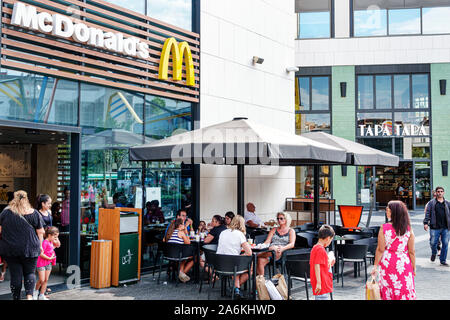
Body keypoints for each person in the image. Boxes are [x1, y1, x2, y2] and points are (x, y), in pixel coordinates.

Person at [0, 190, 45, 300]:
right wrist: (40, 246)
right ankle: (29, 296)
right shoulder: (34, 213)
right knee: (30, 272)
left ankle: (16, 297)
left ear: (14, 198)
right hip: (31, 248)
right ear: (26, 198)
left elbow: (0, 230)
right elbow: (40, 232)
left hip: (11, 249)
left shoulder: (5, 212)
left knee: (16, 275)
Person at [371, 200, 416, 300]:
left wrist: (375, 266)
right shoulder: (408, 228)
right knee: (404, 288)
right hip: (404, 262)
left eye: (388, 210)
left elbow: (380, 249)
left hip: (388, 262)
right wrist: (414, 266)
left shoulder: (384, 227)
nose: (386, 211)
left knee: (388, 289)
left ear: (394, 212)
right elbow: (412, 251)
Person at [216, 215, 252, 298]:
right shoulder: (240, 234)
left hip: (220, 264)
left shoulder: (223, 232)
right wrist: (241, 255)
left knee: (236, 262)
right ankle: (235, 288)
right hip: (232, 265)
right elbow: (249, 252)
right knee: (251, 269)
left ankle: (236, 289)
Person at [256, 212, 296, 276]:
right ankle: (261, 283)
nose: (279, 220)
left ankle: (254, 256)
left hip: (281, 252)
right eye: (278, 219)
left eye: (281, 218)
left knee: (275, 249)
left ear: (286, 220)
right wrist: (260, 246)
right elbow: (267, 242)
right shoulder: (274, 229)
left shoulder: (291, 231)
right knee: (260, 260)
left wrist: (283, 248)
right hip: (269, 252)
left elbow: (292, 244)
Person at [423, 186, 450, 266]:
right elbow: (427, 213)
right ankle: (434, 252)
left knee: (445, 244)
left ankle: (443, 260)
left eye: (441, 191)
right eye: (438, 191)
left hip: (446, 227)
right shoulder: (431, 203)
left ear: (443, 192)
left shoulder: (447, 203)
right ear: (436, 192)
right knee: (433, 243)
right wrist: (425, 223)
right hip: (435, 227)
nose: (440, 193)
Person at [310, 224, 335, 300]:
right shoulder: (320, 249)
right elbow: (316, 265)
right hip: (322, 281)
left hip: (320, 280)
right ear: (327, 239)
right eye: (331, 240)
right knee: (322, 297)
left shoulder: (316, 247)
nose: (330, 242)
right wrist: (319, 283)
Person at [33, 226, 59, 300]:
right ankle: (35, 292)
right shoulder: (45, 242)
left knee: (46, 280)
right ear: (49, 235)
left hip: (48, 263)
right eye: (55, 236)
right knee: (41, 280)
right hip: (41, 263)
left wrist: (56, 239)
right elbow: (41, 254)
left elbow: (58, 245)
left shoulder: (51, 242)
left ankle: (42, 295)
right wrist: (50, 258)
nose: (55, 238)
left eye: (57, 236)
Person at [165, 218, 194, 283]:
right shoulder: (181, 233)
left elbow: (165, 240)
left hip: (169, 254)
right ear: (180, 225)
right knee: (194, 257)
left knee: (183, 255)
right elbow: (188, 243)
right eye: (183, 224)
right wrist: (186, 232)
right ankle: (181, 274)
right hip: (178, 255)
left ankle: (181, 273)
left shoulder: (170, 232)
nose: (184, 225)